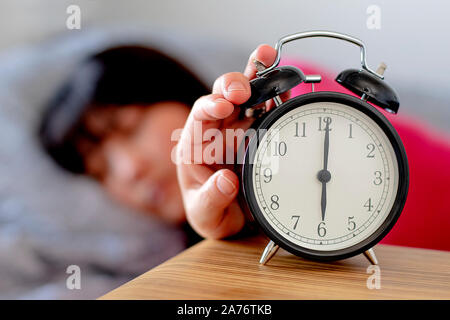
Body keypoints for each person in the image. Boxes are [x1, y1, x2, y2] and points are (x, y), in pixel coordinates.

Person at [176, 45, 450, 251]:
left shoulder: (290, 94)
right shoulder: (207, 230)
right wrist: (250, 218)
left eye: (133, 127)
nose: (133, 170)